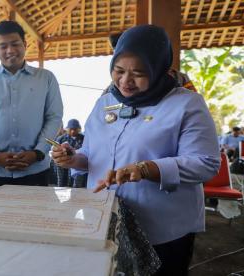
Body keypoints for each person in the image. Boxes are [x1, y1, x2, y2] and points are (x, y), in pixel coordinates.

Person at [51, 25, 220, 276]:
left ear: (159, 68)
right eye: (118, 71)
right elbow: (92, 153)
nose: (125, 81)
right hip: (105, 219)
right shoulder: (106, 101)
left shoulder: (185, 104)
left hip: (162, 227)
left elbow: (205, 162)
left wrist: (147, 169)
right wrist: (73, 158)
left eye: (138, 73)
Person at [0, 20, 63, 186]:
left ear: (24, 44)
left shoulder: (46, 78)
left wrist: (38, 152)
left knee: (36, 212)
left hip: (35, 169)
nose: (10, 50)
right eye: (3, 46)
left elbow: (54, 117)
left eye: (15, 44)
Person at [55, 119, 87, 188]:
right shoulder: (61, 138)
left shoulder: (84, 138)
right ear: (67, 129)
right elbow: (55, 149)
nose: (73, 131)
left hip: (77, 161)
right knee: (60, 176)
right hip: (63, 160)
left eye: (75, 129)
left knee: (78, 177)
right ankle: (60, 187)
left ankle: (76, 190)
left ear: (79, 129)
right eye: (71, 129)